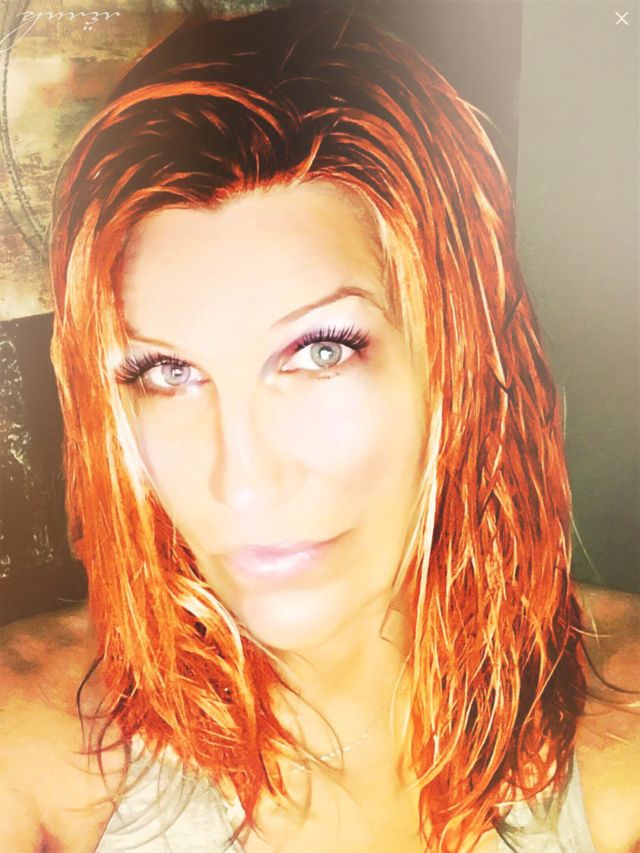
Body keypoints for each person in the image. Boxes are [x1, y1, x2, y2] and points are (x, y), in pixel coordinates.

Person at [1, 1, 639, 850]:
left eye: (321, 351)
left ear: (454, 353)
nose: (242, 482)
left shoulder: (619, 725)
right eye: (167, 372)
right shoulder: (33, 747)